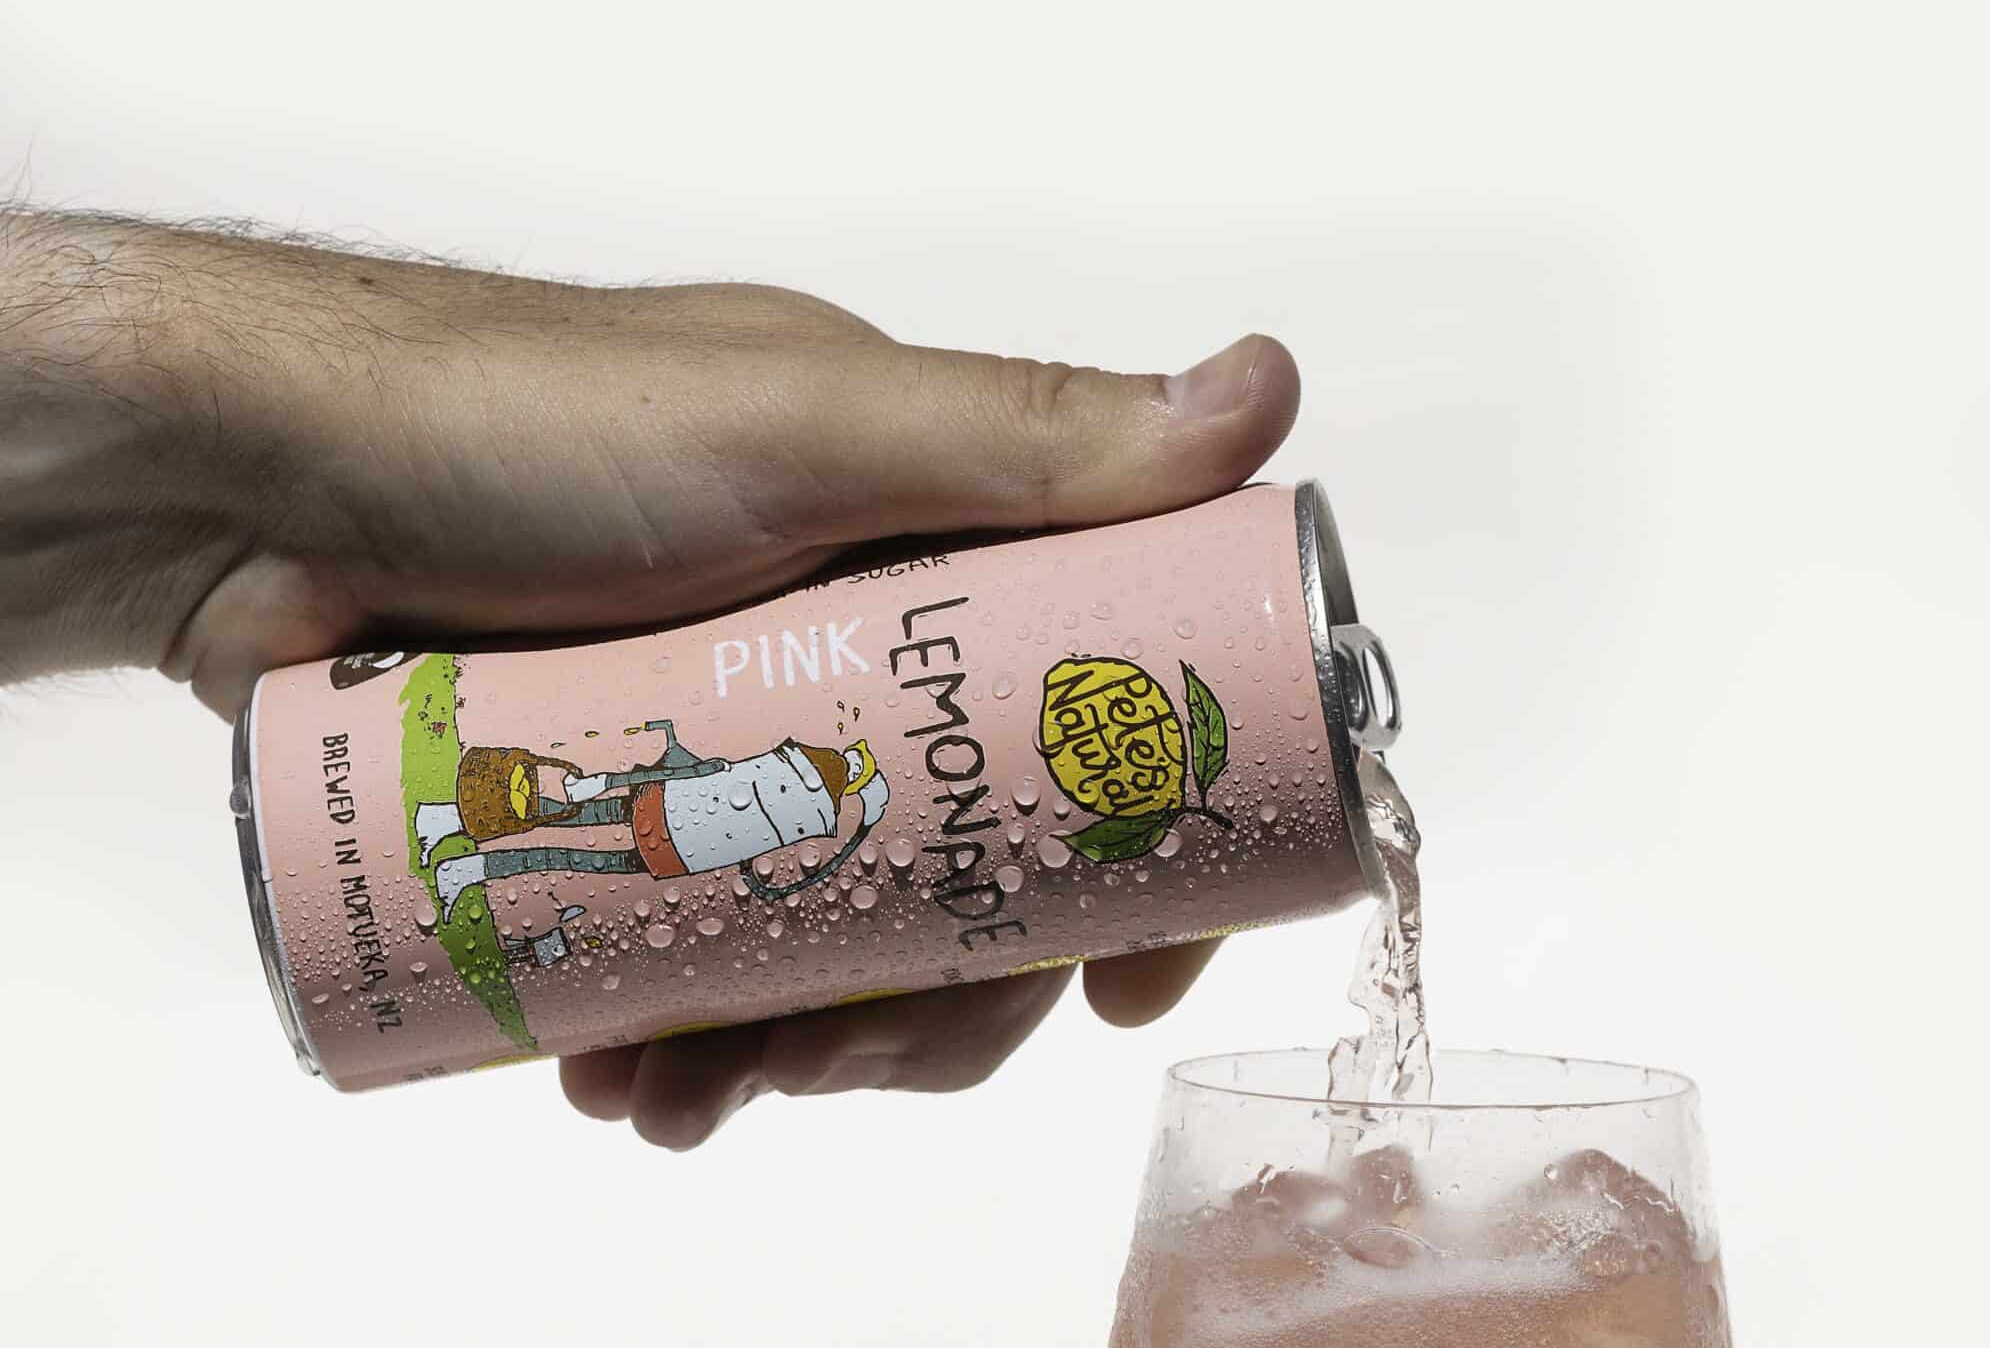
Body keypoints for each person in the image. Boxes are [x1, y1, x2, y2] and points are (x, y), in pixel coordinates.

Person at [0, 206, 1299, 1146]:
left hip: (668, 841)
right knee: (570, 812)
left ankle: (458, 855)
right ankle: (462, 843)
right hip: (653, 815)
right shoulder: (806, 784)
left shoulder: (803, 802)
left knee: (582, 840)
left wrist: (223, 493)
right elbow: (745, 784)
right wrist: (262, 451)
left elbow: (775, 836)